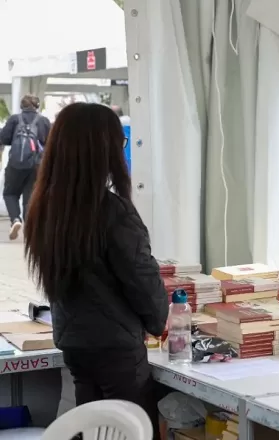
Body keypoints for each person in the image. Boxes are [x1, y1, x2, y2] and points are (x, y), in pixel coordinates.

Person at [23, 103, 167, 433]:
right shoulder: (112, 212)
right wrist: (160, 320)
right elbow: (142, 280)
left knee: (94, 429)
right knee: (131, 429)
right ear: (102, 150)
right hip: (117, 350)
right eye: (120, 143)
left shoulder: (45, 208)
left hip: (75, 345)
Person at [0, 95, 51, 240]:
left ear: (21, 106)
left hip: (15, 164)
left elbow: (3, 138)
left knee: (10, 193)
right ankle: (30, 229)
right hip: (36, 165)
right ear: (37, 106)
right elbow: (51, 143)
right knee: (30, 197)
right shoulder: (44, 121)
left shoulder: (15, 119)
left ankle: (15, 219)